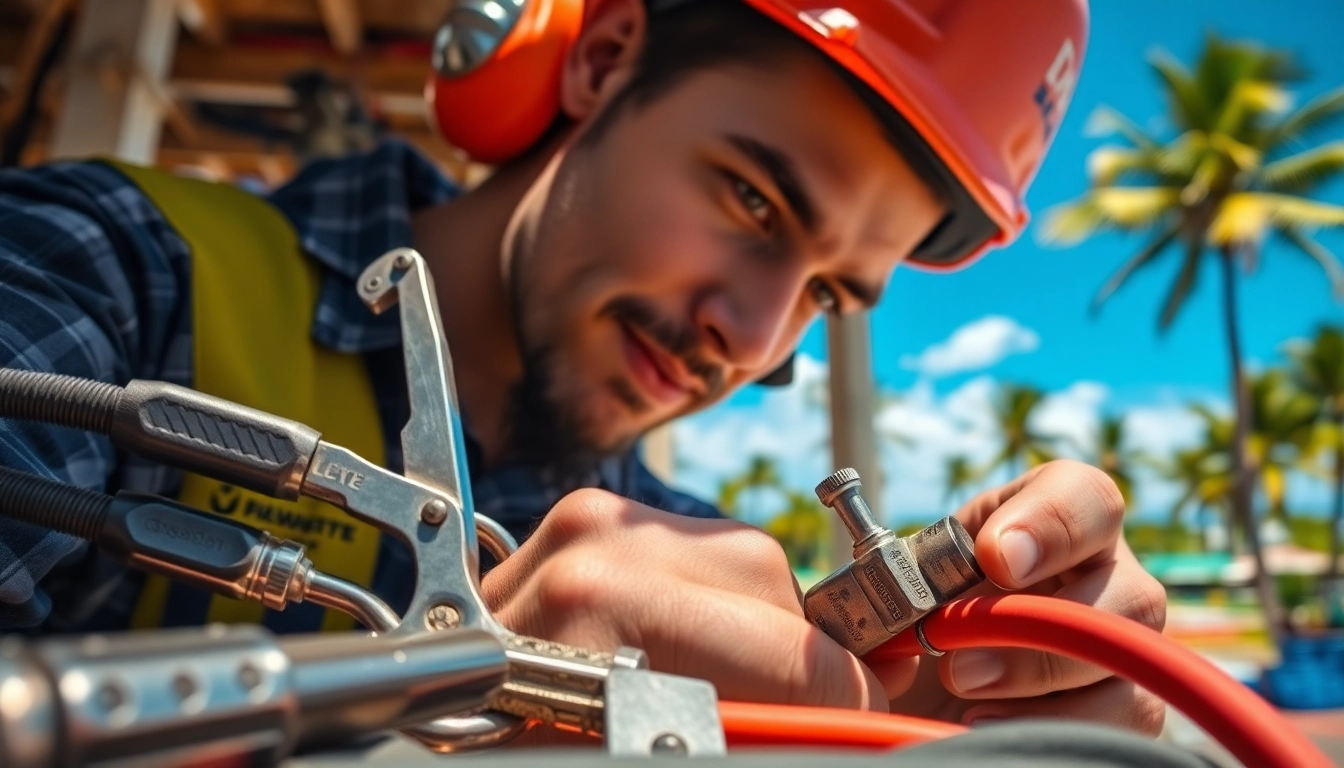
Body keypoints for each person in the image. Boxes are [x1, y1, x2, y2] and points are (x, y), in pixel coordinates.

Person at [0, 0, 1167, 737]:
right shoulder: (97, 270)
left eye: (825, 292)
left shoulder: (674, 554)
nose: (753, 338)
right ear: (606, 60)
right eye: (751, 199)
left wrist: (957, 701)